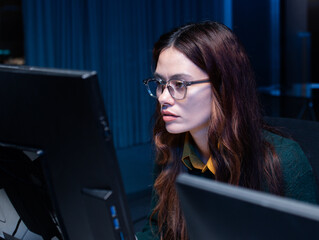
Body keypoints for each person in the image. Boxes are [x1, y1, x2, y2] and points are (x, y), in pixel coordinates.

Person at [136, 21, 319, 240]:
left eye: (180, 84)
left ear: (222, 86)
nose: (163, 98)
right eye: (160, 83)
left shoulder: (283, 161)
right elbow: (158, 228)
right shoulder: (172, 147)